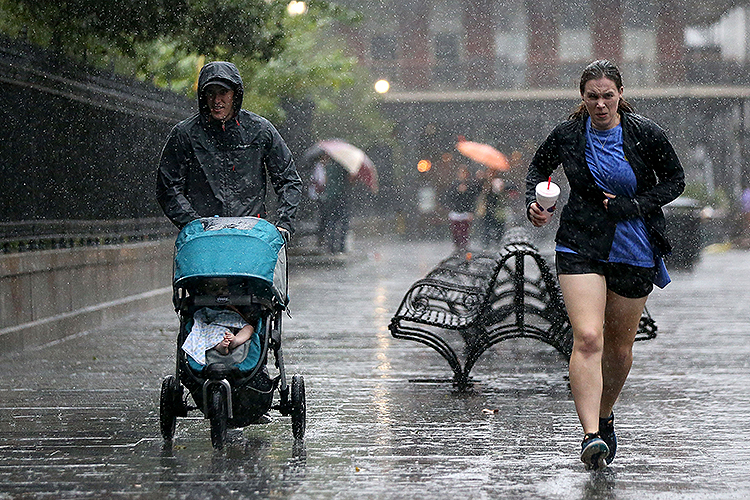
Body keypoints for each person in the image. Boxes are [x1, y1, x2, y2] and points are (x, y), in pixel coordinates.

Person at [525, 60, 685, 470]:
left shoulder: (644, 133)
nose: (600, 104)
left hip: (634, 245)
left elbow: (674, 180)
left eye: (607, 96)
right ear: (583, 97)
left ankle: (604, 414)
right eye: (592, 97)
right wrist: (536, 202)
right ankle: (589, 436)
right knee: (589, 337)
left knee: (619, 348)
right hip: (581, 242)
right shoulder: (568, 134)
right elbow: (538, 168)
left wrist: (634, 205)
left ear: (619, 94)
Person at [156, 61, 303, 238]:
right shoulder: (185, 134)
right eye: (211, 93)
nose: (217, 100)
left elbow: (288, 179)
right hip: (203, 239)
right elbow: (167, 185)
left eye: (223, 92)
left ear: (235, 94)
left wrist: (284, 224)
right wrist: (194, 224)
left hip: (250, 236)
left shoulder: (259, 130)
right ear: (203, 96)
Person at [181, 306, 256, 366]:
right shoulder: (204, 304)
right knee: (212, 331)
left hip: (232, 322)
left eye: (223, 289)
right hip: (212, 325)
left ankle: (236, 341)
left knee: (249, 328)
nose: (221, 292)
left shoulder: (236, 301)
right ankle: (219, 346)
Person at [442, 165, 482, 251]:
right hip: (456, 212)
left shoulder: (470, 185)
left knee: (464, 232)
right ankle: (457, 248)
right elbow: (449, 197)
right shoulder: (454, 185)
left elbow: (473, 198)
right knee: (456, 232)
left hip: (465, 212)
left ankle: (463, 248)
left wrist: (471, 211)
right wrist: (457, 191)